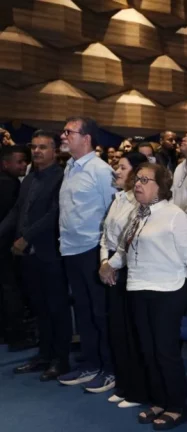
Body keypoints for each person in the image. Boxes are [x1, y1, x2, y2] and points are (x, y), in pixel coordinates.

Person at [110, 163, 187, 430]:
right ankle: (159, 400)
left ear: (161, 186)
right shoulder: (138, 214)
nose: (138, 184)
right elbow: (124, 249)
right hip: (138, 287)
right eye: (137, 179)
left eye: (146, 180)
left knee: (165, 351)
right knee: (147, 348)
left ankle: (177, 405)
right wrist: (109, 264)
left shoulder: (174, 215)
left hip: (168, 290)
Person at [57, 116, 118, 392]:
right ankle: (91, 364)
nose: (63, 136)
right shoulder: (69, 167)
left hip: (93, 249)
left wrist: (107, 256)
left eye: (69, 132)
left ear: (86, 138)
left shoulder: (101, 170)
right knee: (82, 312)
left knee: (100, 313)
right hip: (70, 249)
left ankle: (109, 369)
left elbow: (112, 212)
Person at [2, 132, 70, 379]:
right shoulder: (30, 178)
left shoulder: (62, 177)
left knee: (57, 308)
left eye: (43, 147)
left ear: (54, 151)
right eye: (35, 147)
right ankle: (44, 355)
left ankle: (60, 360)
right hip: (28, 255)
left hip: (49, 252)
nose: (38, 151)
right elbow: (18, 210)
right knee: (39, 308)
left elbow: (54, 214)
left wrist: (25, 238)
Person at [97, 152, 149, 406]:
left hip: (129, 271)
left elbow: (130, 242)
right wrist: (104, 262)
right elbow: (106, 237)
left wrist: (112, 265)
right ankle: (123, 383)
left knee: (131, 333)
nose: (116, 171)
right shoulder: (118, 199)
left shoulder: (139, 202)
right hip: (112, 269)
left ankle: (138, 389)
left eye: (122, 167)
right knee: (117, 330)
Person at [0, 146, 29, 350]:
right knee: (10, 290)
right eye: (19, 162)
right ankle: (16, 336)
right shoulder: (8, 185)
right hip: (5, 246)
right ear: (5, 163)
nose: (23, 165)